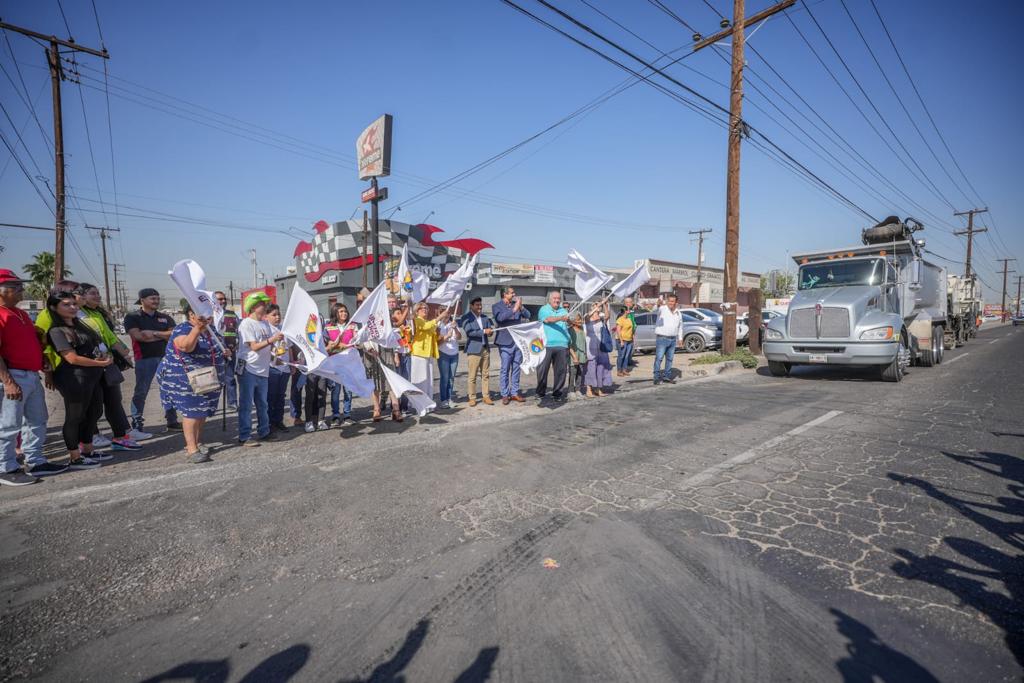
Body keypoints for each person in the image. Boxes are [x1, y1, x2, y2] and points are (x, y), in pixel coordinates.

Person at [0, 270, 64, 485]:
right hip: (12, 377)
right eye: (16, 287)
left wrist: (41, 358)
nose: (21, 290)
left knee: (37, 420)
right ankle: (5, 466)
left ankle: (35, 460)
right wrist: (8, 382)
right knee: (9, 424)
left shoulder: (20, 314)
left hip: (31, 375)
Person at [44, 291, 111, 470]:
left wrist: (105, 356)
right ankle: (75, 457)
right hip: (73, 378)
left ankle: (88, 450)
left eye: (74, 304)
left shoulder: (80, 326)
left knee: (94, 413)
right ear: (54, 307)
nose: (73, 307)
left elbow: (98, 345)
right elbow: (71, 358)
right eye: (66, 304)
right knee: (75, 417)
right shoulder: (56, 331)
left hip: (92, 376)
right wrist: (100, 363)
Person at [73, 283, 142, 451]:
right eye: (91, 294)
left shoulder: (96, 314)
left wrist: (124, 352)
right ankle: (91, 437)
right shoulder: (74, 315)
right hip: (88, 366)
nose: (97, 296)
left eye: (98, 293)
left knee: (113, 400)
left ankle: (121, 436)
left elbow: (109, 337)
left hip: (106, 363)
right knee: (93, 405)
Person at [157, 304, 226, 463]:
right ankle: (191, 448)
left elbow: (217, 346)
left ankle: (197, 442)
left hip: (207, 378)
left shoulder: (211, 329)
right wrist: (197, 329)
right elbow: (186, 346)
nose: (207, 316)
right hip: (186, 380)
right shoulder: (183, 329)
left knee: (201, 412)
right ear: (191, 314)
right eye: (202, 313)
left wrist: (224, 351)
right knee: (192, 413)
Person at [124, 288, 180, 434]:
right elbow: (139, 337)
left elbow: (174, 335)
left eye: (157, 298)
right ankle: (137, 424)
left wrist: (154, 333)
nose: (156, 301)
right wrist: (163, 335)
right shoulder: (132, 317)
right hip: (144, 359)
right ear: (142, 300)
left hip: (166, 357)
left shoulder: (164, 317)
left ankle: (172, 421)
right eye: (152, 298)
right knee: (141, 391)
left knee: (169, 390)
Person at [237, 291, 282, 446]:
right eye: (261, 304)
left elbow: (268, 346)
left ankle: (264, 431)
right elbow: (254, 346)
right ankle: (245, 435)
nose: (264, 306)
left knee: (263, 403)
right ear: (253, 306)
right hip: (249, 369)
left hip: (263, 369)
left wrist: (276, 355)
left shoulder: (264, 324)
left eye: (264, 303)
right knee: (246, 404)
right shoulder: (246, 324)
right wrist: (272, 339)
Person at [492, 286, 531, 405]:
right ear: (505, 294)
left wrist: (521, 307)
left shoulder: (517, 305)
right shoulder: (497, 306)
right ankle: (504, 394)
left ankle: (514, 393)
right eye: (512, 293)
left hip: (518, 342)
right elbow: (500, 318)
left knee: (516, 368)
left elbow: (528, 315)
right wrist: (514, 309)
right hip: (505, 342)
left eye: (514, 293)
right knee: (505, 369)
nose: (514, 295)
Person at [410, 301, 449, 407]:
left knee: (429, 381)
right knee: (420, 380)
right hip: (419, 353)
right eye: (422, 308)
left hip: (429, 353)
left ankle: (427, 402)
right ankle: (418, 403)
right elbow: (426, 326)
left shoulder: (428, 321)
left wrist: (440, 333)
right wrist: (440, 317)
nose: (425, 310)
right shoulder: (416, 320)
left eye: (426, 308)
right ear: (417, 311)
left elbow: (433, 335)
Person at [536, 290, 571, 402]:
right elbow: (548, 320)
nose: (557, 300)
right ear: (549, 300)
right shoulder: (544, 309)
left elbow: (567, 324)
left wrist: (569, 320)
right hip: (547, 345)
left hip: (562, 345)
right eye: (554, 298)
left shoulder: (563, 310)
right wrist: (561, 318)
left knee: (561, 371)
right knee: (542, 370)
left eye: (558, 298)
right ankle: (541, 392)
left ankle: (557, 393)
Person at [459, 297, 495, 406]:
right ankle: (472, 397)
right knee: (472, 376)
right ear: (471, 306)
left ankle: (486, 396)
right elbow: (470, 333)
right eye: (477, 305)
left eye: (480, 305)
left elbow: (490, 331)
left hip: (485, 349)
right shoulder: (466, 318)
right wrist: (484, 331)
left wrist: (490, 332)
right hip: (474, 350)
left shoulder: (485, 317)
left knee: (485, 375)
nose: (479, 307)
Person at [324, 303, 354, 424]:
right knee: (335, 391)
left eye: (345, 311)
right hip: (334, 364)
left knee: (348, 390)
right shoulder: (328, 327)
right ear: (335, 313)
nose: (344, 313)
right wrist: (335, 345)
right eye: (341, 311)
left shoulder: (352, 326)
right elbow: (327, 345)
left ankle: (347, 415)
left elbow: (356, 342)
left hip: (348, 363)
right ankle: (335, 414)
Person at [265, 304, 291, 432]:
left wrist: (292, 363)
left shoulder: (284, 329)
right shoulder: (266, 329)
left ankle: (278, 420)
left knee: (281, 396)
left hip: (285, 368)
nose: (277, 317)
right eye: (274, 315)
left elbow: (289, 347)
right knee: (271, 396)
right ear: (267, 316)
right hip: (272, 368)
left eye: (278, 314)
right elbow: (264, 348)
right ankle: (269, 422)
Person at [214, 291, 239, 410]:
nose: (223, 301)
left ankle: (232, 402)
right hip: (214, 353)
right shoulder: (208, 314)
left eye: (224, 299)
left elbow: (239, 331)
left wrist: (235, 347)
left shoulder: (232, 314)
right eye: (220, 299)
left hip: (230, 351)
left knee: (230, 378)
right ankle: (211, 404)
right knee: (212, 379)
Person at [654, 294, 685, 385]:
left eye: (673, 301)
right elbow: (656, 309)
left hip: (672, 339)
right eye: (669, 301)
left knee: (670, 359)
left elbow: (680, 327)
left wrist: (680, 338)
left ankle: (667, 376)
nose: (671, 303)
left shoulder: (678, 313)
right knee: (659, 358)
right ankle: (656, 377)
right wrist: (658, 304)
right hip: (662, 338)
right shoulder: (663, 309)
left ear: (676, 302)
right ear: (667, 301)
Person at [584, 300, 613, 397]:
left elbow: (608, 316)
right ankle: (589, 389)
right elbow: (587, 317)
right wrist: (595, 309)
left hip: (601, 344)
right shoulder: (587, 317)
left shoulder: (601, 317)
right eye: (595, 306)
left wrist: (604, 304)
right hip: (591, 344)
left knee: (601, 366)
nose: (598, 307)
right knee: (591, 366)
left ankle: (598, 389)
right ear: (592, 308)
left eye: (598, 306)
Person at [437, 313, 462, 409]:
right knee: (444, 378)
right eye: (444, 314)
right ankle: (443, 400)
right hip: (443, 354)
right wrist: (446, 337)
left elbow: (459, 337)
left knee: (451, 378)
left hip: (454, 354)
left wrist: (455, 328)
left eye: (448, 314)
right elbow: (437, 342)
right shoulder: (438, 325)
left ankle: (449, 398)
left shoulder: (453, 323)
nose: (446, 316)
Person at [567, 313, 588, 399]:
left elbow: (584, 342)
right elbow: (569, 345)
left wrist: (585, 353)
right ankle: (571, 391)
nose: (581, 321)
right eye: (579, 320)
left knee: (580, 373)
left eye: (581, 319)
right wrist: (574, 356)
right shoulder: (570, 330)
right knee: (573, 373)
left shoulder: (582, 329)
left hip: (582, 355)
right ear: (573, 321)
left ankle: (578, 390)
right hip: (573, 355)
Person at [615, 297, 637, 377]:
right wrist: (621, 340)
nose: (629, 304)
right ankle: (619, 370)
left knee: (627, 356)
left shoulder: (629, 317)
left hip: (629, 339)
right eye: (627, 302)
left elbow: (632, 327)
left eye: (630, 302)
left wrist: (633, 337)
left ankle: (624, 370)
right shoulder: (620, 317)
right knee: (621, 355)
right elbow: (618, 330)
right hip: (622, 339)